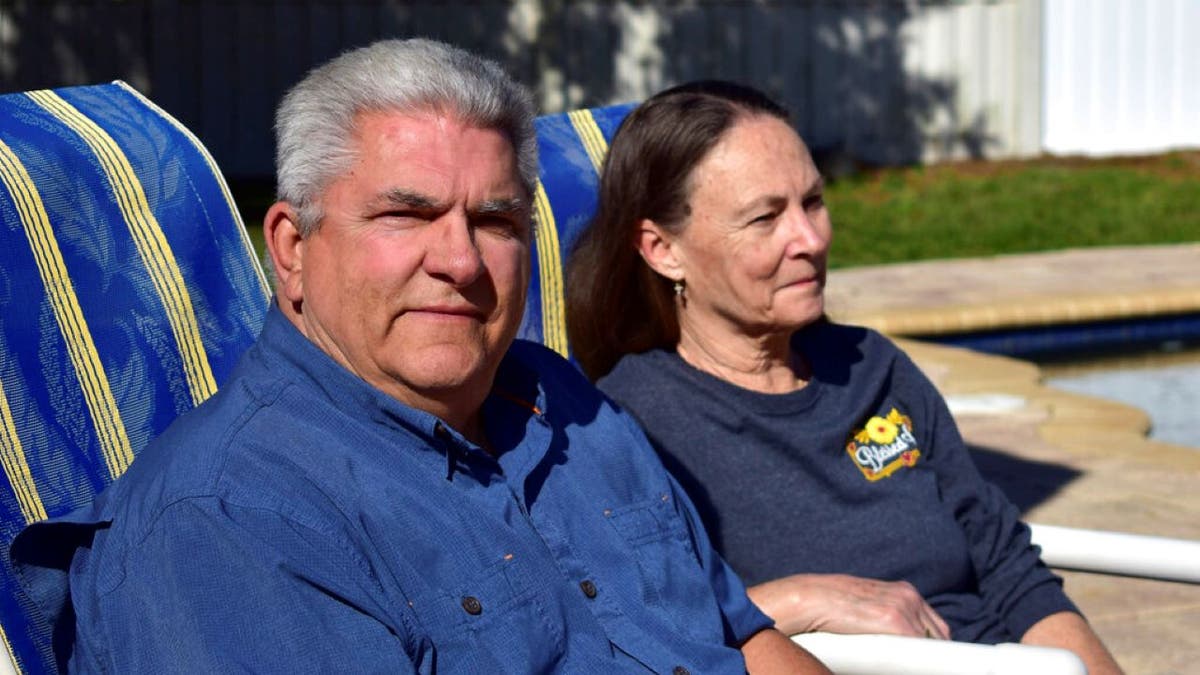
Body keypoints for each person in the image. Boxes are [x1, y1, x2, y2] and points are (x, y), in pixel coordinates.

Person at [11, 43, 829, 673]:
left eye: (497, 220)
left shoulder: (561, 401)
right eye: (407, 214)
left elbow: (744, 638)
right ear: (293, 249)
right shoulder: (221, 525)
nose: (462, 262)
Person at [566, 80, 1123, 674]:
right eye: (764, 217)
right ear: (662, 249)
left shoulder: (871, 367)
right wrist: (800, 601)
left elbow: (1006, 566)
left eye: (813, 202)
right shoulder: (629, 430)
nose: (810, 239)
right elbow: (639, 632)